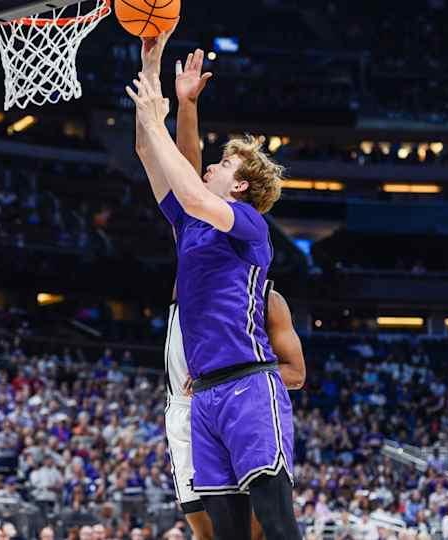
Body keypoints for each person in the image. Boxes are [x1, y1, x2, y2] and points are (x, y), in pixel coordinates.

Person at [131, 23, 299, 540]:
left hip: (249, 384)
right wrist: (155, 67)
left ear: (242, 184)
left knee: (274, 523)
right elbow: (148, 152)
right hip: (203, 395)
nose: (210, 165)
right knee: (226, 534)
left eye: (223, 162)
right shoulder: (191, 225)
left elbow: (194, 188)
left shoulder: (249, 224)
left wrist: (163, 124)